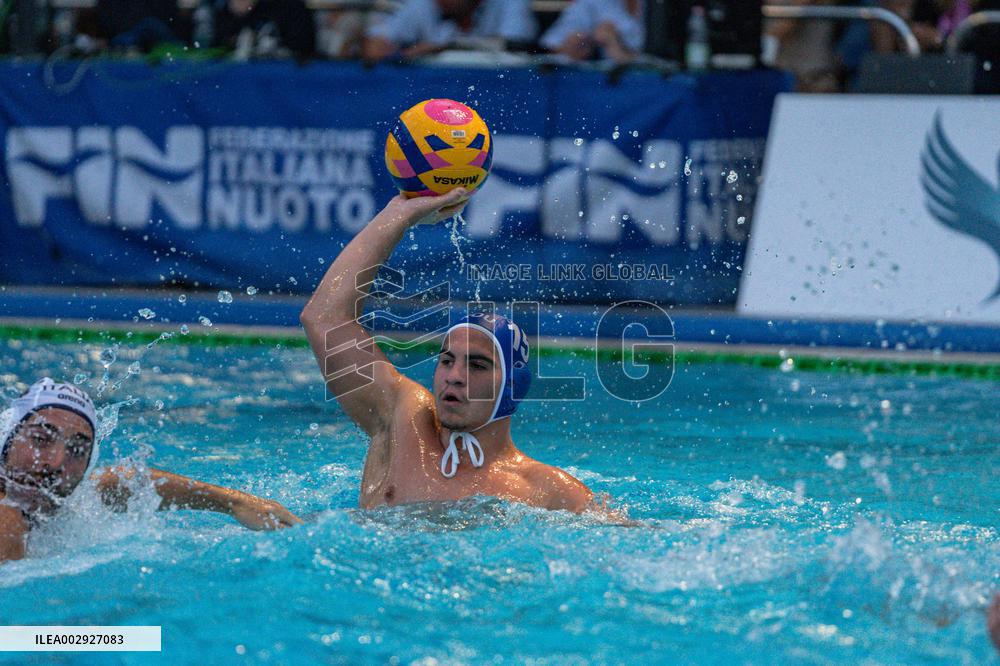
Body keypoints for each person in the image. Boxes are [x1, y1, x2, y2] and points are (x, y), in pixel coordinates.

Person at [300, 189, 600, 513]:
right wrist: (397, 216)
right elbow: (325, 318)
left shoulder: (549, 492)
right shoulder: (403, 419)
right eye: (446, 360)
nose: (454, 377)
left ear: (513, 387)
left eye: (477, 365)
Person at [0, 378, 301, 563]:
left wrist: (233, 502)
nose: (54, 463)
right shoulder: (7, 521)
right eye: (40, 439)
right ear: (7, 439)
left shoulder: (51, 498)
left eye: (77, 450)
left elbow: (119, 483)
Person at [363, 0, 537, 62]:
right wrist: (402, 54)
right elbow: (374, 48)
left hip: (502, 88)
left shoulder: (510, 3)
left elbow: (513, 45)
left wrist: (445, 47)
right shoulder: (427, 4)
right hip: (432, 93)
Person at [539, 0, 644, 64]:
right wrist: (569, 49)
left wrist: (619, 51)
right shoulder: (593, 2)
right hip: (613, 87)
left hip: (652, 87)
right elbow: (552, 46)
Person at [214, 0, 316, 59]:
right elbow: (220, 41)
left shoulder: (292, 6)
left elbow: (304, 45)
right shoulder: (226, 8)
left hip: (286, 67)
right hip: (241, 67)